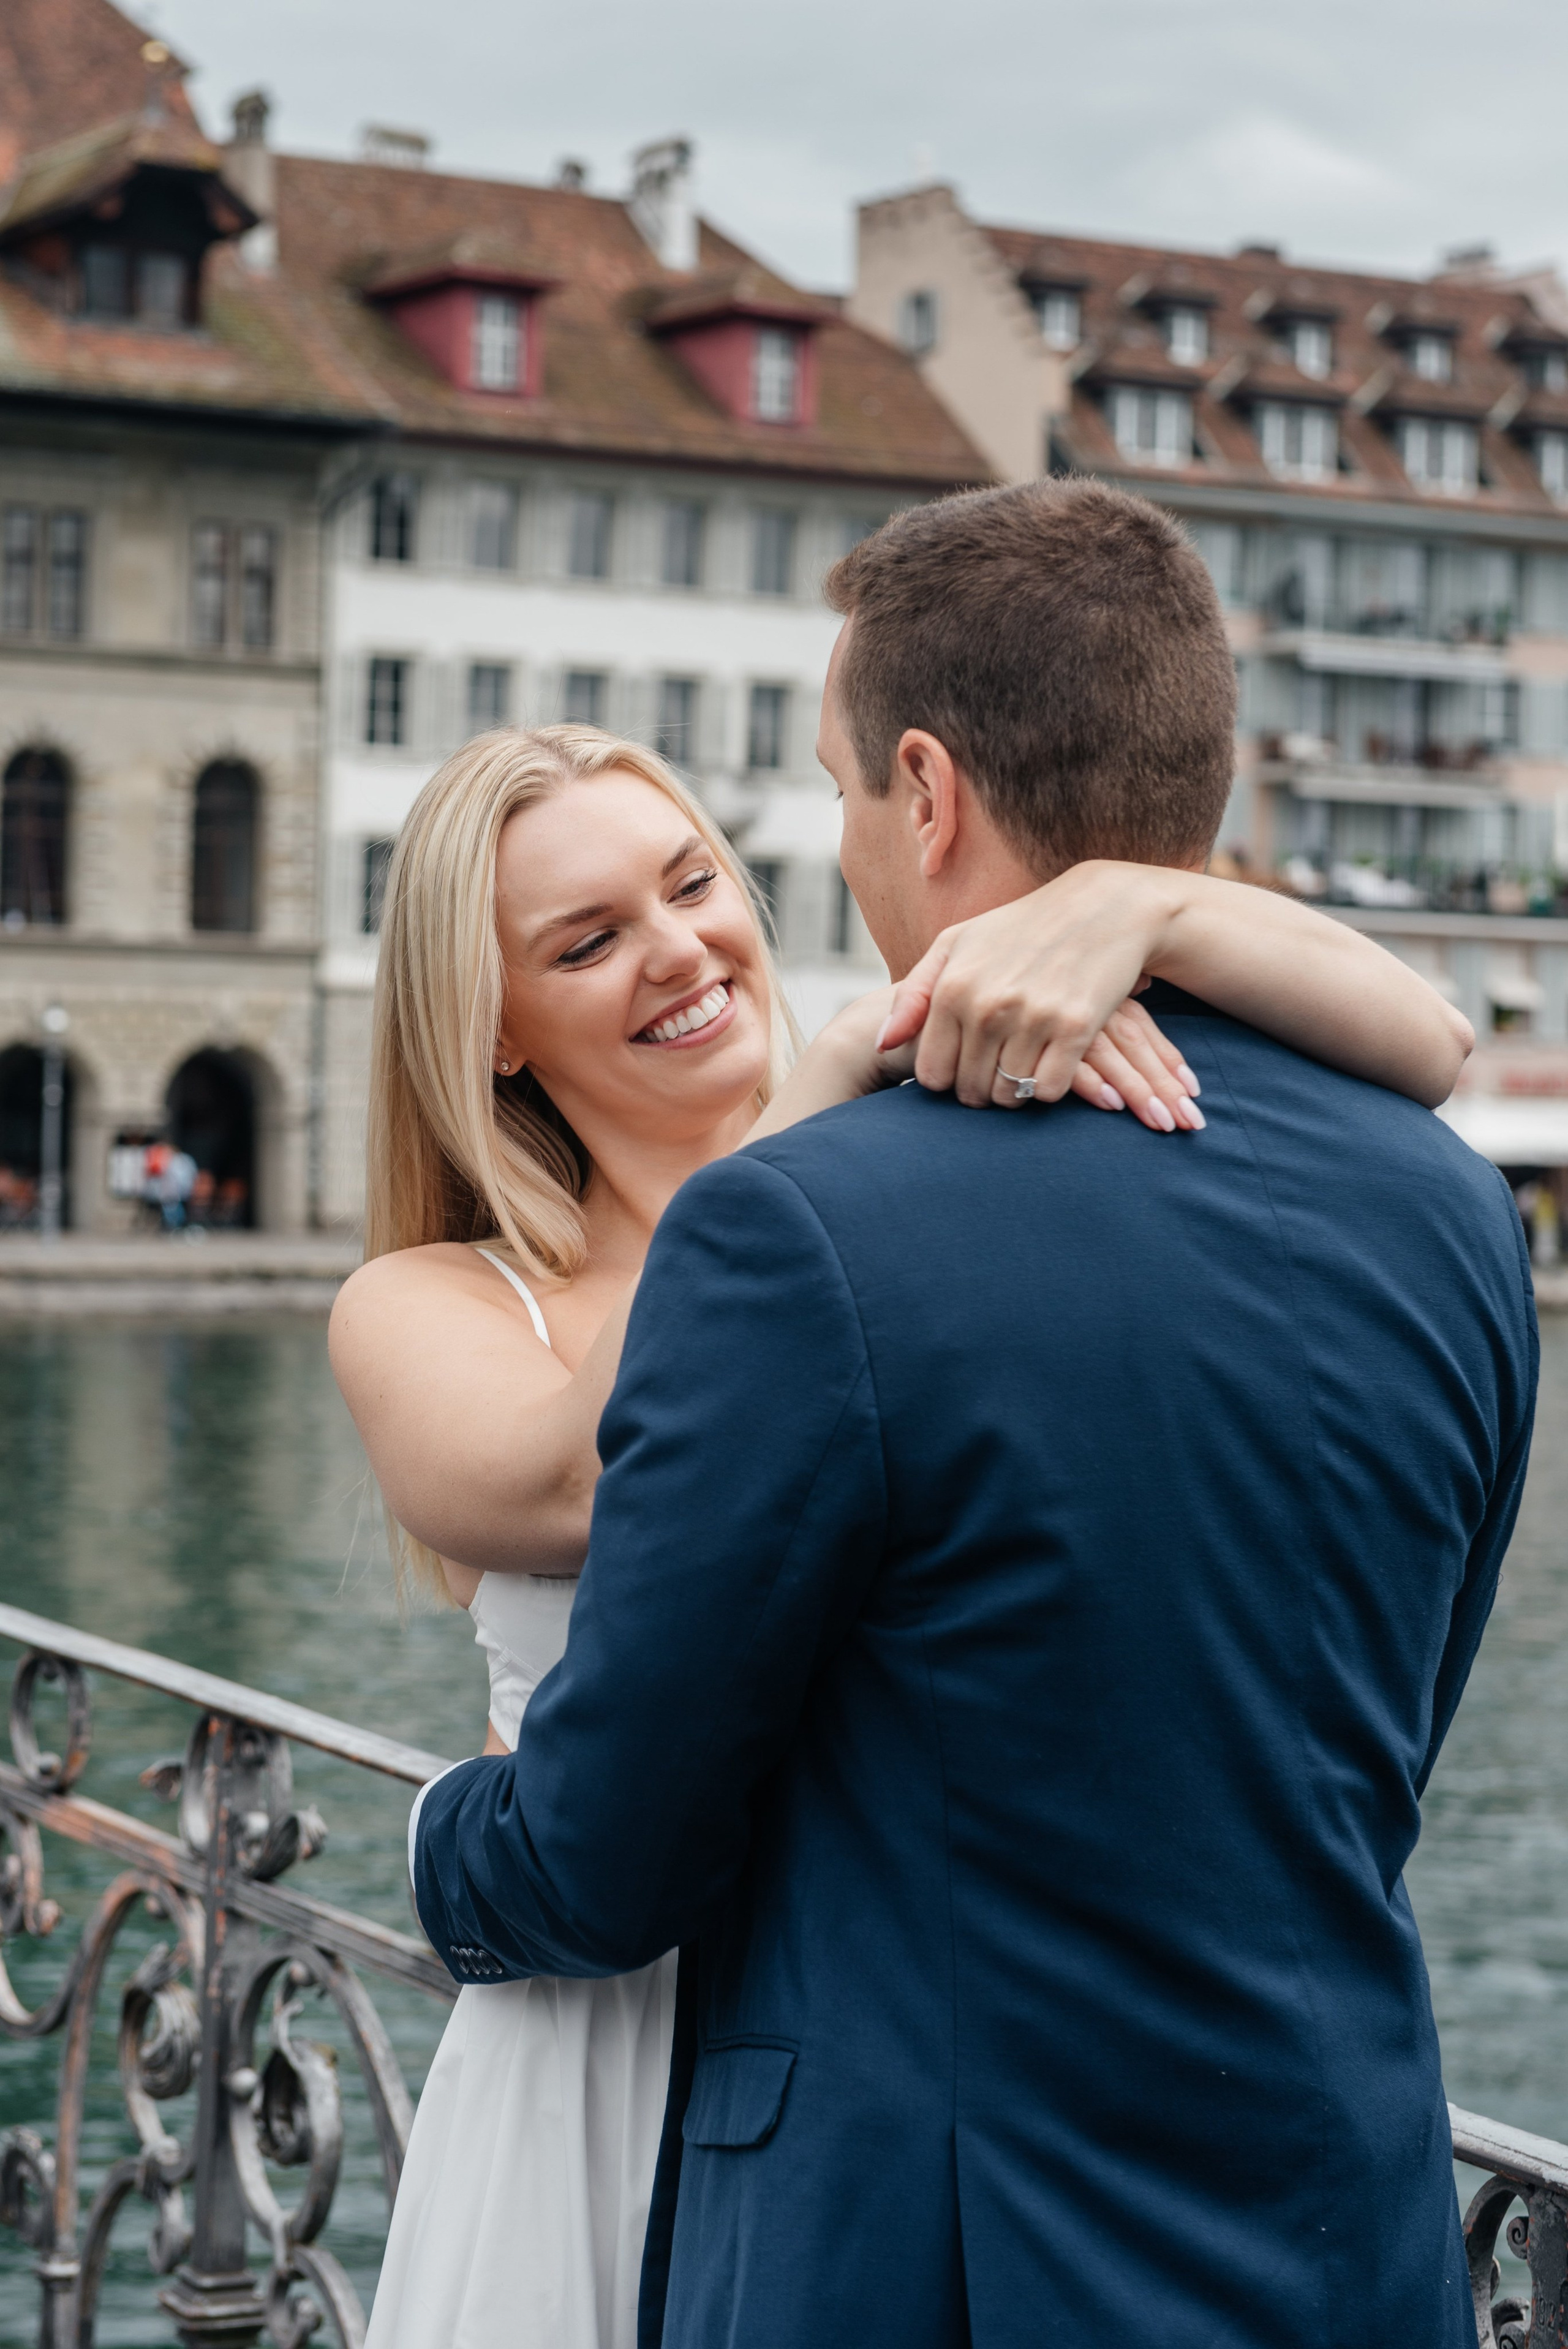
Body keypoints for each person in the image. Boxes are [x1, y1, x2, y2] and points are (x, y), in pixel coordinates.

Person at [402, 478, 1537, 2348]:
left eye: (842, 790)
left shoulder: (805, 1225)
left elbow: (609, 1857)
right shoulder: (1449, 1206)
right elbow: (1374, 1743)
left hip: (929, 2267)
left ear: (924, 792)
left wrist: (443, 1836)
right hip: (1355, 2239)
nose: (837, 848)